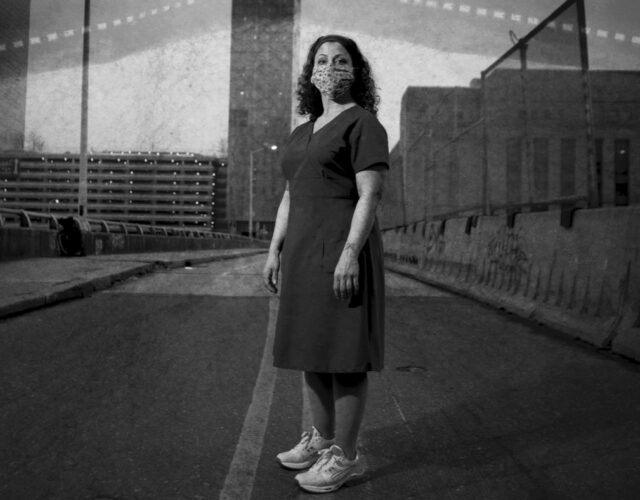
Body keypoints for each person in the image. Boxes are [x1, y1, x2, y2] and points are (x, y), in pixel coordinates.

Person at [262, 34, 389, 494]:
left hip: (340, 249)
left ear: (355, 70)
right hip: (301, 251)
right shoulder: (303, 131)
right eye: (321, 60)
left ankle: (346, 456)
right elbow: (291, 195)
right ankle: (320, 439)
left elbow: (370, 193)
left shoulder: (363, 124)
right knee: (310, 350)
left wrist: (350, 253)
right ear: (309, 72)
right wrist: (275, 248)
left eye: (340, 60)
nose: (330, 67)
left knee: (344, 354)